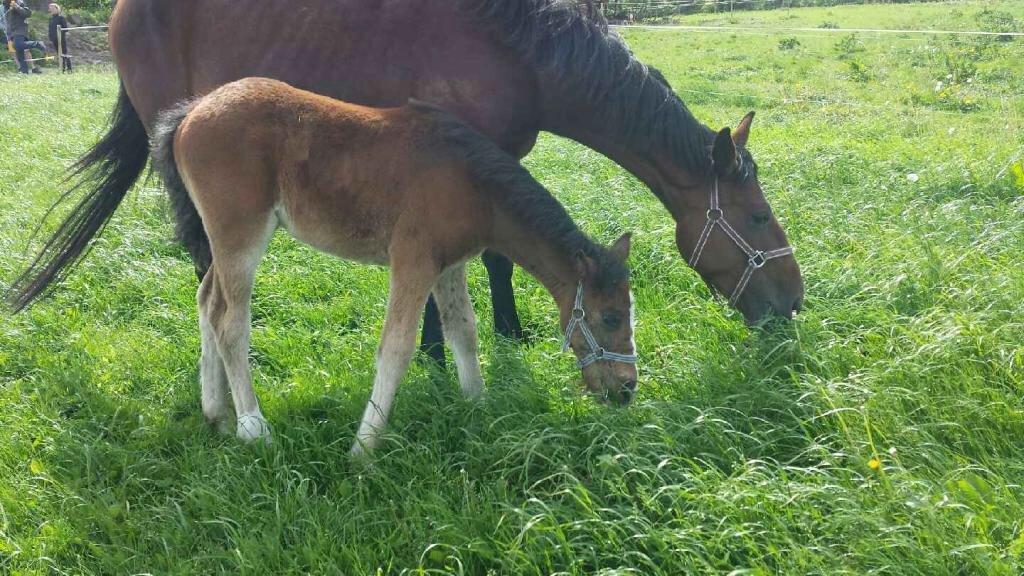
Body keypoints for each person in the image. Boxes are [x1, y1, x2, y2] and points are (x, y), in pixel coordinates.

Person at [3, 0, 46, 74]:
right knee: (19, 51)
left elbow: (28, 13)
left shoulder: (20, 2)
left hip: (20, 30)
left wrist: (17, 7)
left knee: (17, 45)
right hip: (11, 32)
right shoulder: (5, 5)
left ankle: (37, 43)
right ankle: (24, 71)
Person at [48, 3, 69, 72]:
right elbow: (50, 29)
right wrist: (50, 38)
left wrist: (60, 35)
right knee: (58, 54)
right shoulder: (51, 19)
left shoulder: (61, 18)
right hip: (54, 40)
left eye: (53, 8)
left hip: (61, 39)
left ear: (57, 9)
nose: (51, 10)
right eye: (50, 9)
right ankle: (62, 68)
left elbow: (65, 29)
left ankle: (68, 68)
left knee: (64, 53)